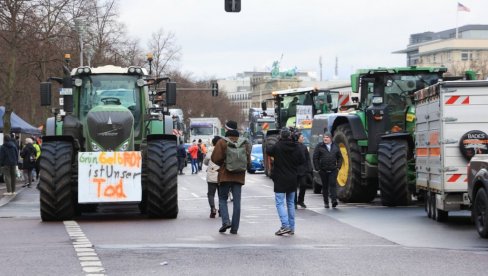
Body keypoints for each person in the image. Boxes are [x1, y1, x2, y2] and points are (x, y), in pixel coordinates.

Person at [212, 120, 251, 235]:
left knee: (223, 198)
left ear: (227, 131)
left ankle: (225, 221)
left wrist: (224, 164)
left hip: (225, 174)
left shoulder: (222, 142)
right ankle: (234, 228)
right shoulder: (244, 142)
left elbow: (215, 158)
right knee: (237, 202)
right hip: (239, 176)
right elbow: (248, 160)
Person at [266, 127, 305, 236]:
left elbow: (268, 150)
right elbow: (302, 160)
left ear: (280, 136)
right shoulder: (296, 146)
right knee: (291, 203)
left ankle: (285, 225)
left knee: (279, 203)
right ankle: (291, 228)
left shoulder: (278, 146)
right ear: (290, 136)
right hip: (292, 178)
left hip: (280, 179)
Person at [313, 130, 343, 208]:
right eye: (324, 137)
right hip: (323, 170)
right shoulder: (319, 146)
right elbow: (315, 158)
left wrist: (338, 167)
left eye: (327, 137)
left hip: (333, 170)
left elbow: (340, 157)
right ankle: (326, 202)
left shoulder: (335, 146)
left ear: (331, 138)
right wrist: (318, 168)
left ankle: (334, 201)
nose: (325, 139)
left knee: (333, 184)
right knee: (325, 186)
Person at [204, 136, 222, 218]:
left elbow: (206, 160)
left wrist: (209, 164)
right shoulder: (224, 149)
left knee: (211, 194)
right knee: (221, 194)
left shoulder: (211, 149)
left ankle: (213, 209)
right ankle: (222, 210)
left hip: (212, 173)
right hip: (222, 174)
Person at [296, 132, 312, 208]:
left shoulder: (304, 147)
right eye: (302, 137)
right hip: (295, 170)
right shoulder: (293, 146)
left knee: (303, 185)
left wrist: (309, 168)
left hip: (303, 170)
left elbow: (308, 158)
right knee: (294, 187)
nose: (303, 138)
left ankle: (300, 200)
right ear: (298, 138)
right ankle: (294, 202)